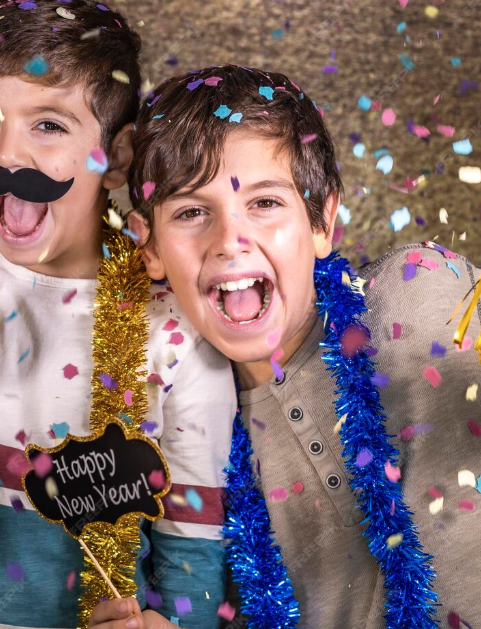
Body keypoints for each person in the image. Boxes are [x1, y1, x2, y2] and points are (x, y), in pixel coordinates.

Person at [0, 0, 236, 629]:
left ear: (117, 157)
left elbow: (194, 551)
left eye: (49, 125)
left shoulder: (173, 330)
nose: (7, 156)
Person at [127, 63, 480, 627]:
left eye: (264, 203)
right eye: (192, 212)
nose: (230, 241)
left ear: (322, 222)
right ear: (149, 248)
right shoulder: (184, 442)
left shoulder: (420, 297)